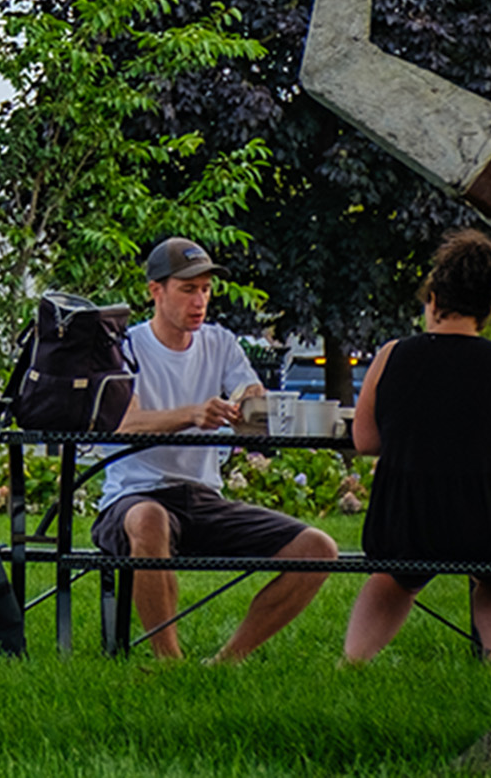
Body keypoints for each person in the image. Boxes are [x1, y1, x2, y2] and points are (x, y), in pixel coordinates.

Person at [98, 237, 339, 662]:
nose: (200, 300)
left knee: (319, 549)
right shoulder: (125, 348)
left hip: (203, 498)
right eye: (188, 289)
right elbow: (123, 423)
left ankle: (226, 662)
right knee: (150, 518)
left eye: (206, 290)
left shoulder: (220, 342)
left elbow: (246, 388)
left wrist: (251, 402)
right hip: (134, 497)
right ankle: (170, 664)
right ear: (156, 290)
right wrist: (192, 414)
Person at [343, 230, 491, 664]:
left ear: (435, 298)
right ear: (489, 309)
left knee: (393, 578)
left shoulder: (391, 355)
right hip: (488, 513)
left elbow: (365, 440)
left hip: (405, 513)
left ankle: (354, 661)